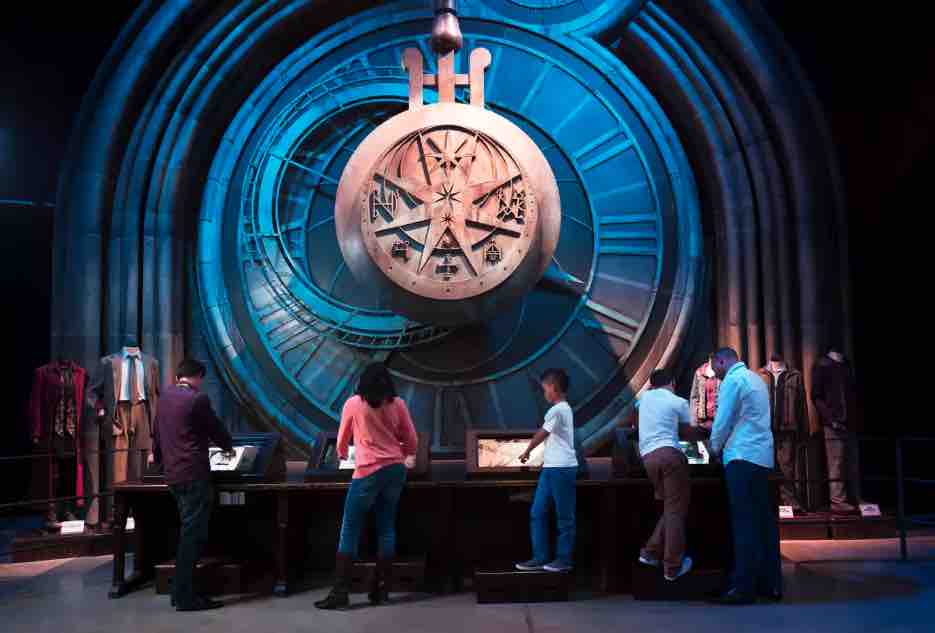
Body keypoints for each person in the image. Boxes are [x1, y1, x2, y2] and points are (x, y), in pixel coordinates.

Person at [315, 363, 419, 610]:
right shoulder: (399, 404)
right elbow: (411, 438)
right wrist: (408, 454)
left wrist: (340, 454)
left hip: (367, 472)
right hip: (395, 470)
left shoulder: (353, 403)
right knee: (387, 527)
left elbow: (342, 438)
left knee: (350, 528)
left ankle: (340, 592)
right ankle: (382, 591)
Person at [152, 359, 234, 612]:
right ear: (197, 377)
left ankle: (179, 592)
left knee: (188, 533)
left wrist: (159, 462)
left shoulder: (165, 397)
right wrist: (228, 447)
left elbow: (157, 433)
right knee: (193, 537)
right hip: (194, 476)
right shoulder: (197, 400)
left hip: (173, 475)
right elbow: (215, 429)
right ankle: (186, 597)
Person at [707, 348, 781, 605]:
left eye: (714, 365)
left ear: (721, 360)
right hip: (762, 457)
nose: (714, 372)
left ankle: (743, 588)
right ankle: (771, 584)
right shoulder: (756, 379)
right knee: (764, 524)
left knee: (744, 524)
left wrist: (714, 449)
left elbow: (723, 421)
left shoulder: (733, 380)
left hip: (741, 457)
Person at [515, 368, 578, 573]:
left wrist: (527, 451)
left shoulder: (558, 410)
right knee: (537, 512)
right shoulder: (563, 409)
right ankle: (541, 557)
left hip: (562, 469)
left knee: (564, 517)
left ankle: (563, 559)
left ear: (552, 387)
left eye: (545, 389)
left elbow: (543, 433)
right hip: (552, 468)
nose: (544, 393)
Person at [635, 369, 693, 581]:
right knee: (677, 512)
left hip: (648, 459)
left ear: (651, 384)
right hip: (670, 456)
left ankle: (650, 553)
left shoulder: (642, 400)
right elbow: (689, 432)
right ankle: (673, 567)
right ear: (673, 382)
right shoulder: (678, 402)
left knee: (671, 509)